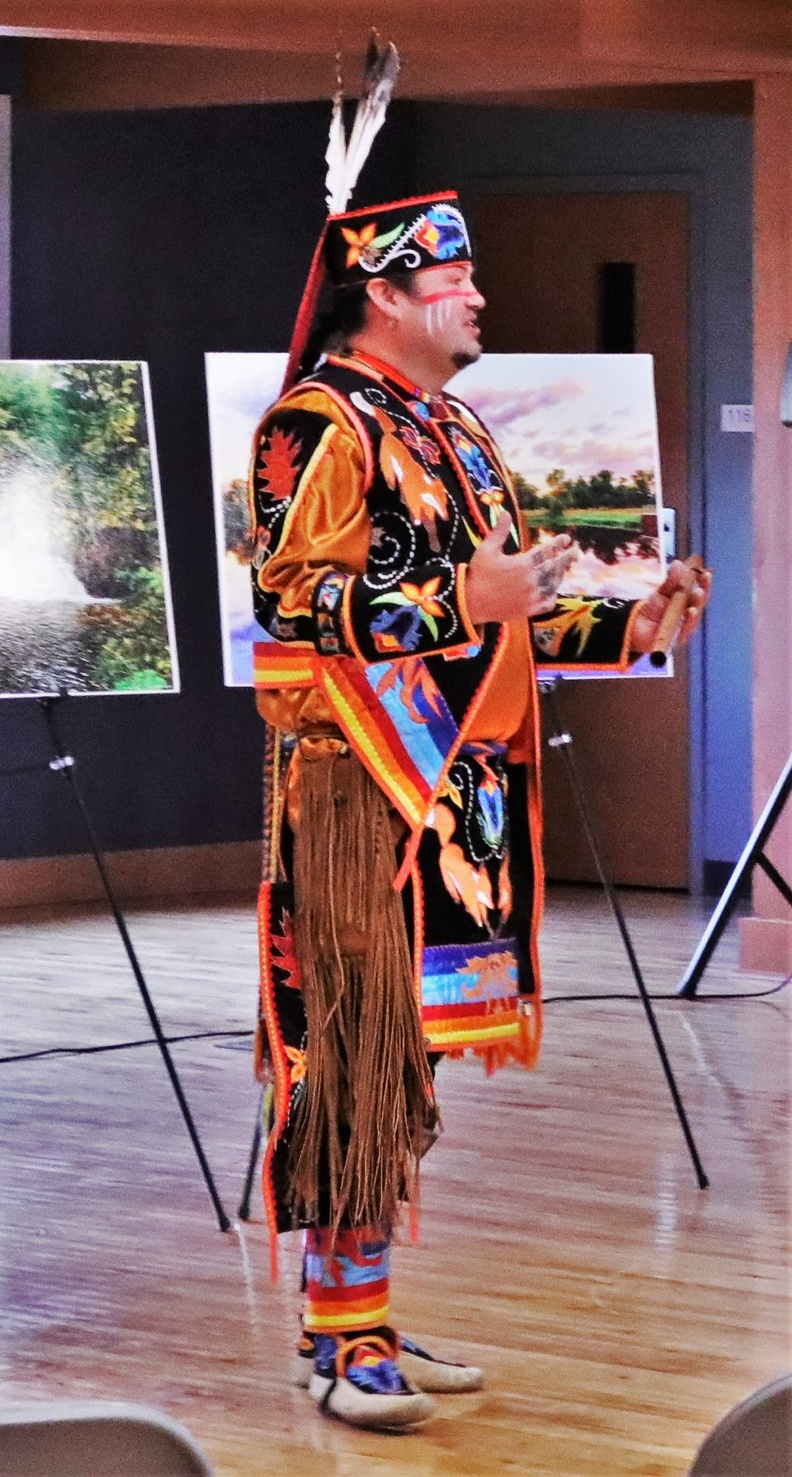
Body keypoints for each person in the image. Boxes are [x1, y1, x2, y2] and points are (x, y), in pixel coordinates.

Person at [250, 190, 710, 1432]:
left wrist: (633, 621)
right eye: (454, 280)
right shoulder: (317, 422)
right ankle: (343, 1341)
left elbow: (508, 600)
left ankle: (364, 1315)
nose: (480, 297)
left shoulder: (451, 424)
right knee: (352, 1046)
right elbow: (292, 610)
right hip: (361, 779)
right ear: (384, 294)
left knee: (404, 1058)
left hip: (461, 780)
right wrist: (463, 596)